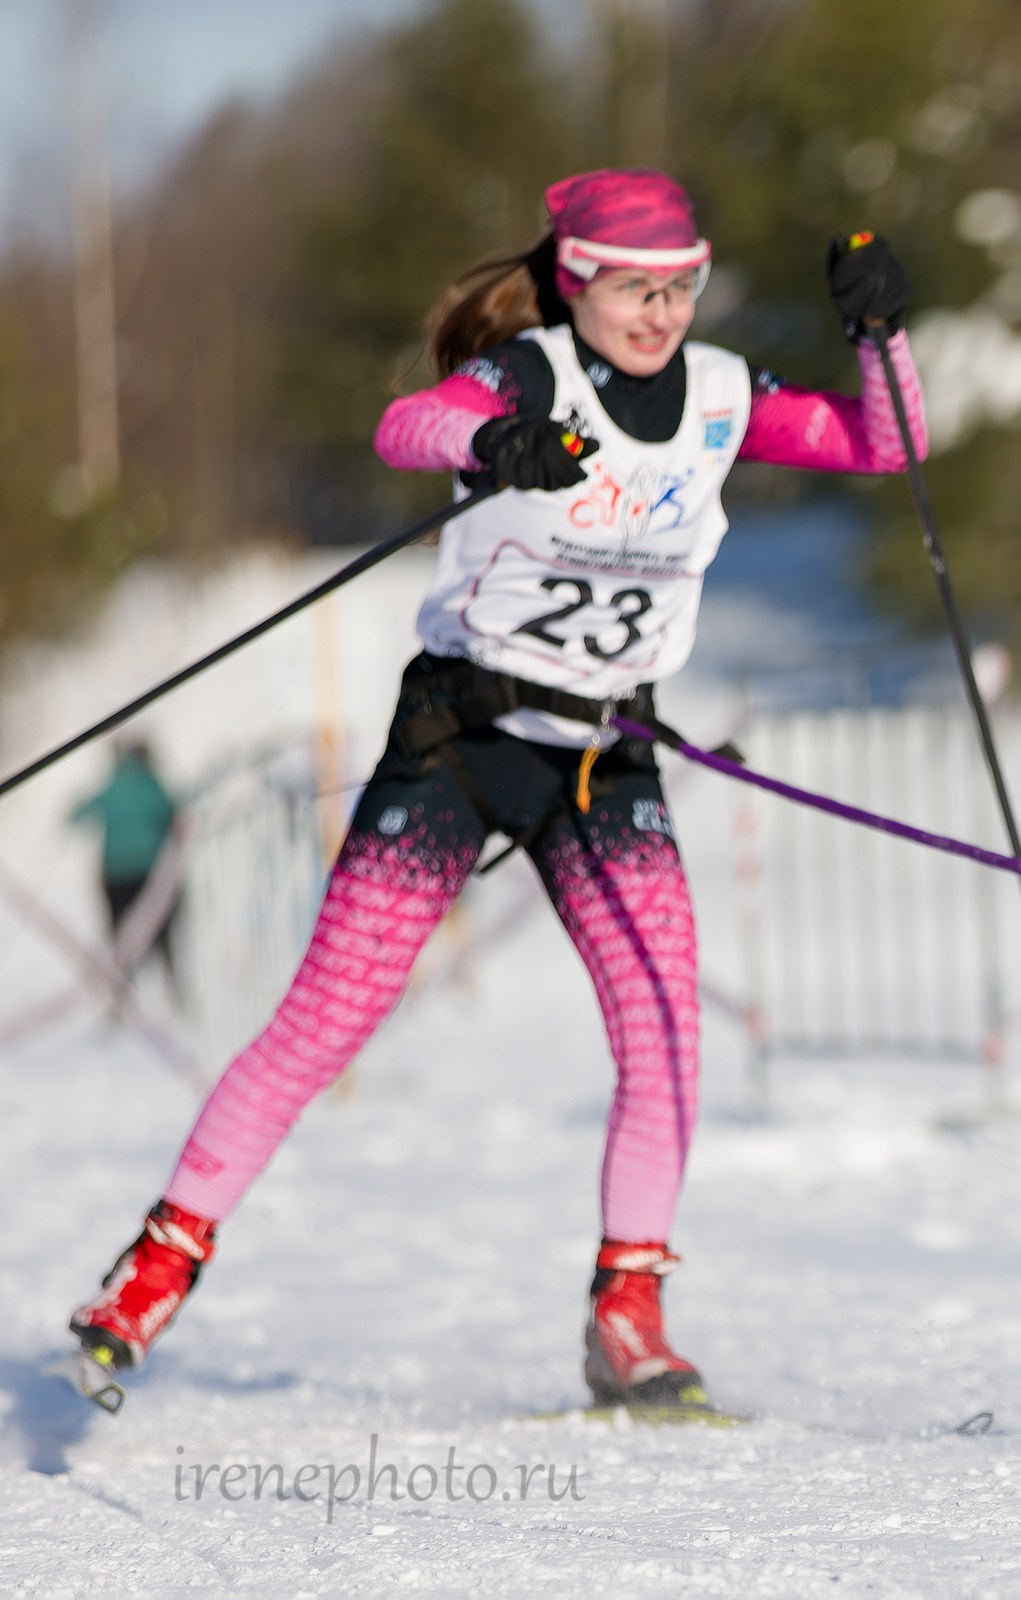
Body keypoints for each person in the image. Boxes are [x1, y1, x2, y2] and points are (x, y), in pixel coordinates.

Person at [65, 168, 925, 1413]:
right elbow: (403, 429)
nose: (661, 314)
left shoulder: (725, 394)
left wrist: (881, 337)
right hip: (462, 740)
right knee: (323, 1025)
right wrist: (491, 438)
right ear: (576, 279)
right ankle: (151, 1271)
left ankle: (629, 1315)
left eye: (681, 287)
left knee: (664, 1033)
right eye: (635, 288)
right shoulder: (530, 375)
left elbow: (882, 442)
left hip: (603, 756)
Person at [71, 738, 183, 995]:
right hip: (149, 875)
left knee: (120, 939)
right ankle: (174, 985)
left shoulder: (110, 787)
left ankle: (121, 993)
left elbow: (78, 816)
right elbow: (172, 812)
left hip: (115, 878)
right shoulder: (151, 784)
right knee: (162, 931)